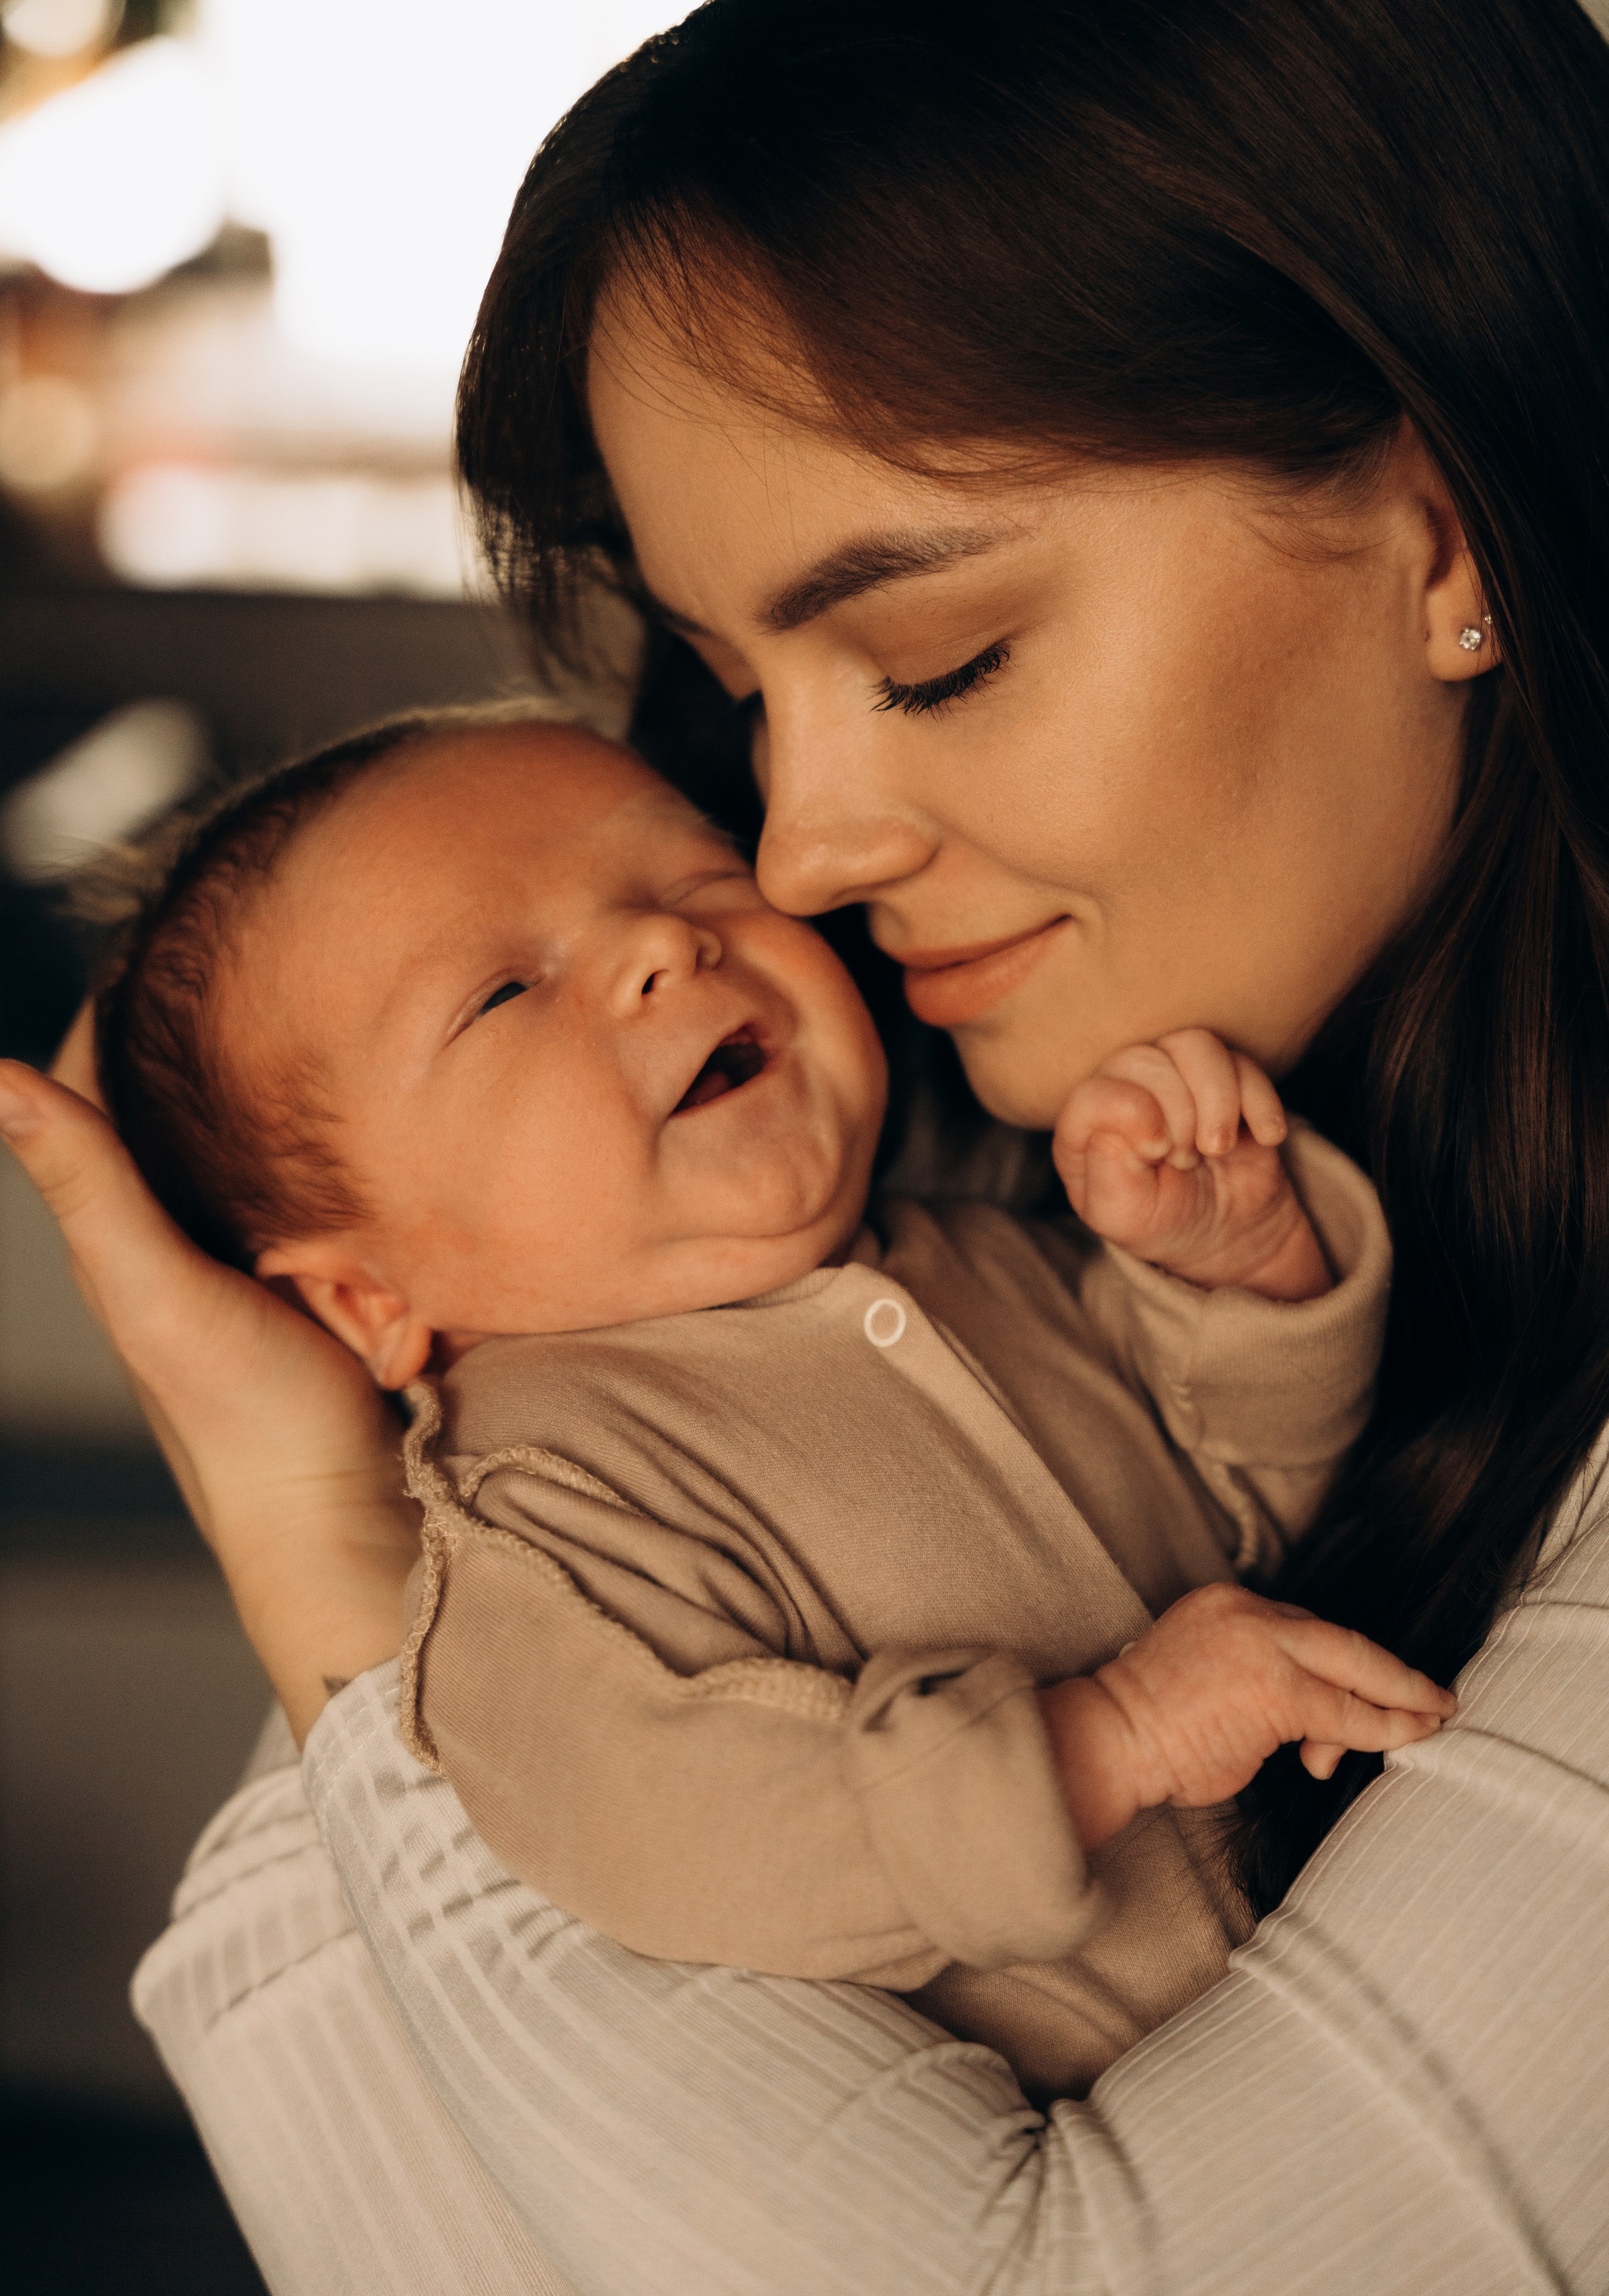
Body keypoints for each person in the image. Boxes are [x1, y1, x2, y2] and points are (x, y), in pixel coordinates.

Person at [1, 0, 1608, 2285]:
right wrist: (345, 1554)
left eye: (937, 658)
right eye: (745, 693)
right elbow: (306, 2018)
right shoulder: (749, 1288)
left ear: (1447, 530)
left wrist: (340, 1623)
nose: (796, 847)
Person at [89, 702, 1437, 2101]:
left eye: (698, 882)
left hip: (1396, 1972)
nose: (666, 944)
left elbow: (1255, 1508)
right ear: (363, 1301)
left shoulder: (968, 1259)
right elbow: (685, 1831)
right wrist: (1121, 1738)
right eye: (504, 990)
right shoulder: (536, 1521)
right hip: (1162, 2135)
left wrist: (1231, 1267)